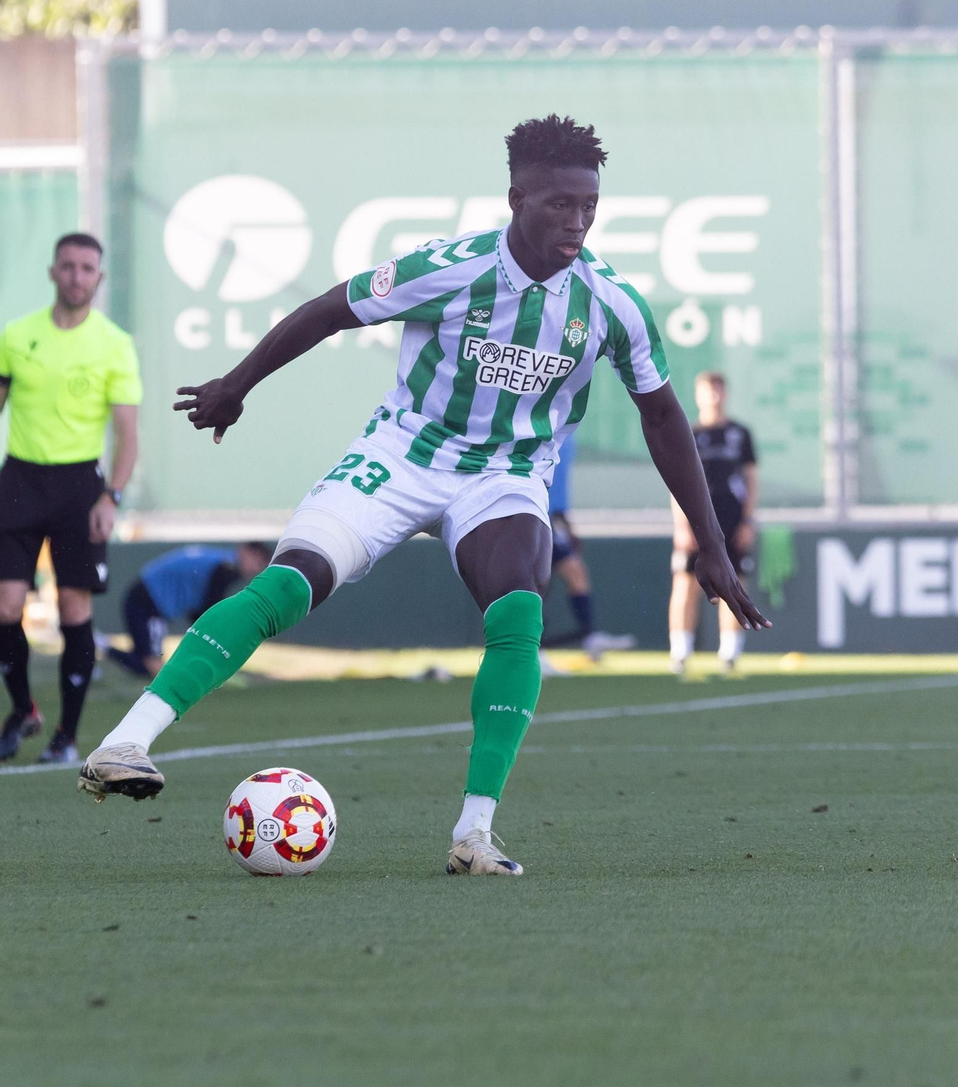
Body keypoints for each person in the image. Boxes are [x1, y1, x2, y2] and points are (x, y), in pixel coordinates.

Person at [79, 115, 768, 876]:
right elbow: (329, 310)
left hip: (505, 474)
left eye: (589, 206)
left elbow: (664, 416)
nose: (576, 222)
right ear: (516, 198)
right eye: (558, 205)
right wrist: (236, 387)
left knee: (519, 611)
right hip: (402, 453)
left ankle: (475, 833)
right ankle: (126, 743)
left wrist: (709, 543)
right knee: (287, 586)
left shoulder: (611, 304)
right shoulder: (453, 267)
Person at [0, 232, 141, 765]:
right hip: (18, 481)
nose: (77, 276)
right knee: (5, 606)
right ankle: (22, 711)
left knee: (72, 606)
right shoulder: (17, 334)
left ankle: (67, 737)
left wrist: (113, 496)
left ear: (99, 277)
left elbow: (128, 434)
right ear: (52, 272)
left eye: (87, 268)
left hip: (80, 488)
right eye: (68, 266)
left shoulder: (114, 343)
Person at [668, 371, 758, 676]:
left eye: (719, 390)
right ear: (698, 395)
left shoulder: (740, 434)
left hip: (731, 518)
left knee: (733, 583)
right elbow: (676, 482)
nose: (714, 396)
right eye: (708, 390)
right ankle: (680, 650)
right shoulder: (688, 434)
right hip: (696, 519)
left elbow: (751, 479)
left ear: (726, 394)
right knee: (685, 583)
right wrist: (681, 525)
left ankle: (730, 652)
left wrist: (747, 520)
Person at [107, 542, 273, 679]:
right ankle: (100, 645)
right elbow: (210, 611)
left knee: (144, 663)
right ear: (244, 551)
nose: (255, 569)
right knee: (152, 666)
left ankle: (101, 646)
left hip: (147, 599)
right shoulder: (225, 567)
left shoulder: (221, 561)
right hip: (147, 602)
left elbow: (201, 610)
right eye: (256, 561)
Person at [538, 445, 636, 661]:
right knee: (535, 582)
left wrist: (566, 523)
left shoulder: (566, 432)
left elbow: (558, 484)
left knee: (575, 571)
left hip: (550, 517)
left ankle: (589, 635)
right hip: (530, 510)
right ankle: (533, 650)